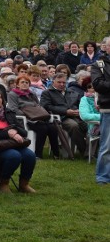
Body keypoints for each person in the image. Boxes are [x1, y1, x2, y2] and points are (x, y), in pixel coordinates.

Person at [7, 74, 60, 159]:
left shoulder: (32, 93)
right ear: (17, 84)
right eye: (22, 82)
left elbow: (38, 105)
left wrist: (40, 114)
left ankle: (56, 154)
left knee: (53, 127)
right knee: (42, 128)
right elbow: (13, 109)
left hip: (38, 117)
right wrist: (28, 114)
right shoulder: (12, 94)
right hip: (25, 119)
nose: (25, 84)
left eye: (27, 82)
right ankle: (38, 154)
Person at [40, 72, 87, 158]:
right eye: (59, 82)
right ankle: (85, 152)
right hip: (60, 118)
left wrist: (79, 110)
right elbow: (46, 107)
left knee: (89, 125)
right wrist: (65, 111)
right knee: (74, 126)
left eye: (64, 82)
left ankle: (94, 151)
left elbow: (81, 103)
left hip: (76, 115)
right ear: (53, 81)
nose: (62, 84)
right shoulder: (47, 92)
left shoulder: (71, 92)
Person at [90, 39, 110, 184]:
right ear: (107, 48)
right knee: (107, 145)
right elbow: (97, 85)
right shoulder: (99, 65)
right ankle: (102, 178)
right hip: (108, 108)